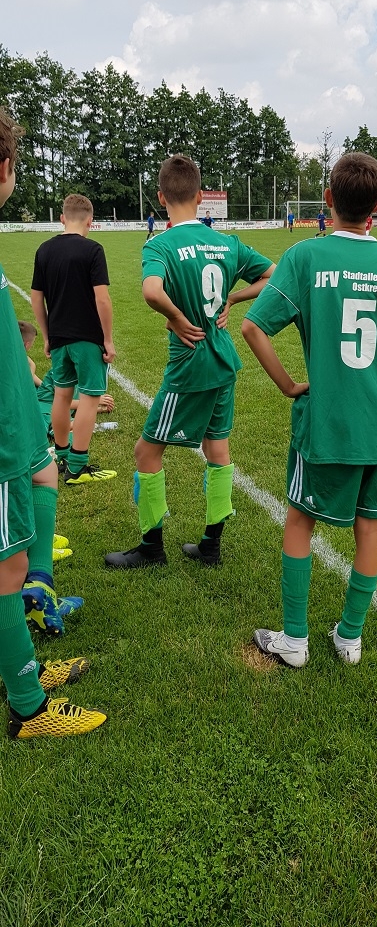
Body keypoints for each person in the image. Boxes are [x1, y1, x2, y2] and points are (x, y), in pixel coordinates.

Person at [241, 152, 377, 668]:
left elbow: (253, 327)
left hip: (326, 422)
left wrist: (287, 386)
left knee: (300, 519)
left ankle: (294, 641)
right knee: (371, 527)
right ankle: (350, 638)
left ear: (327, 200)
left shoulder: (305, 256)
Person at [105, 153, 275, 569]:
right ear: (200, 197)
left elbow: (151, 291)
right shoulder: (227, 243)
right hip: (224, 362)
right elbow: (274, 273)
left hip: (190, 365)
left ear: (161, 197)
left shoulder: (160, 244)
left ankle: (151, 548)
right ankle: (211, 545)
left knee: (146, 452)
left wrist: (177, 318)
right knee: (217, 448)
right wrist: (233, 297)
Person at [0, 108, 106, 738]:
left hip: (20, 418)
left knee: (46, 477)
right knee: (3, 571)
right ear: (5, 168)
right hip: (3, 433)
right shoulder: (85, 252)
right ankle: (27, 706)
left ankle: (35, 610)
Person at [31, 194, 117, 485]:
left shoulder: (44, 250)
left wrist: (47, 336)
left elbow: (36, 299)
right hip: (87, 338)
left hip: (59, 338)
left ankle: (62, 457)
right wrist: (108, 340)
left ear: (62, 218)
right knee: (90, 399)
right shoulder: (93, 250)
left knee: (62, 396)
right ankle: (77, 467)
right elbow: (102, 299)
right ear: (90, 222)